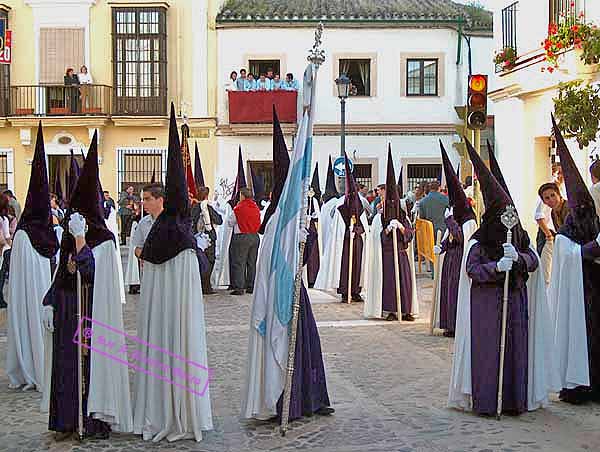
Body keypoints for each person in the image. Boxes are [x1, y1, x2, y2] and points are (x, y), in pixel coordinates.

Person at [449, 137, 555, 416]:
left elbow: (532, 258)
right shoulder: (479, 241)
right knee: (490, 355)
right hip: (487, 308)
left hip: (516, 303)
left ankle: (513, 401)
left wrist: (518, 259)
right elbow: (472, 269)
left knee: (516, 354)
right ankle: (488, 401)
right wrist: (496, 267)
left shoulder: (518, 236)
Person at [242, 105, 333, 422]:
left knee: (307, 346)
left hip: (296, 293)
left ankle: (309, 398)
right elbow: (273, 264)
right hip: (280, 298)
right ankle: (285, 402)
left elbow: (299, 262)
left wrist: (304, 243)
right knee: (289, 345)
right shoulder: (275, 224)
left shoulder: (292, 220)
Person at [42, 131, 132, 439]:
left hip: (92, 316)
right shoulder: (70, 230)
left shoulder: (103, 240)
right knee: (66, 368)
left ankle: (91, 419)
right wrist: (50, 299)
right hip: (69, 311)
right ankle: (66, 421)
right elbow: (63, 272)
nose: (74, 215)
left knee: (89, 367)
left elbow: (92, 272)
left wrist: (81, 241)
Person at [134, 104, 212, 441]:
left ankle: (172, 413)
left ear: (162, 200)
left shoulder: (170, 234)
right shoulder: (174, 234)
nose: (143, 203)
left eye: (147, 199)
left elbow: (147, 258)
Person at [548, 117, 600, 405]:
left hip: (595, 291)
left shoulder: (595, 222)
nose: (584, 212)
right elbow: (570, 256)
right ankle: (576, 385)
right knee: (582, 340)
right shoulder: (567, 233)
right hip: (578, 299)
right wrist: (594, 247)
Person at [6, 124, 59, 393]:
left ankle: (34, 363)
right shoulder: (32, 236)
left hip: (37, 296)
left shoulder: (28, 234)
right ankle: (34, 364)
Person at [365, 147, 419, 321]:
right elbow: (377, 238)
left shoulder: (403, 216)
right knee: (389, 284)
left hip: (401, 254)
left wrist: (402, 229)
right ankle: (390, 310)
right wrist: (387, 229)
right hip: (387, 256)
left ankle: (406, 310)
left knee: (405, 283)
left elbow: (410, 234)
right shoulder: (380, 217)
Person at [432, 142, 478, 336]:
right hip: (450, 259)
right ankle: (449, 324)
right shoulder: (457, 217)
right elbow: (451, 238)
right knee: (448, 292)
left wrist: (449, 219)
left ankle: (457, 324)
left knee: (456, 292)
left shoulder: (468, 219)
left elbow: (461, 237)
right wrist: (441, 246)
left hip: (460, 260)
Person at [314, 153, 368, 302]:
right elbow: (336, 228)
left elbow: (364, 226)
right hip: (344, 244)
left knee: (357, 267)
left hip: (357, 243)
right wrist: (346, 233)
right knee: (344, 267)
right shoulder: (340, 207)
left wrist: (358, 231)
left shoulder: (360, 206)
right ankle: (345, 292)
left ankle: (356, 291)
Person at [228, 187, 261, 295]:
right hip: (255, 236)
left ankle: (239, 287)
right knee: (251, 263)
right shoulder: (256, 207)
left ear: (242, 195)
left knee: (239, 262)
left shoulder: (238, 208)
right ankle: (251, 286)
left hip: (242, 236)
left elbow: (230, 222)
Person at [535, 182, 569, 285]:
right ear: (544, 201)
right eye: (547, 198)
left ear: (559, 194)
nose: (551, 200)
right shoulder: (553, 212)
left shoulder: (569, 208)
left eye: (553, 195)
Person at [191, 186, 223, 294]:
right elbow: (219, 220)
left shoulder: (193, 208)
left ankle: (199, 285)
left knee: (199, 261)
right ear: (206, 196)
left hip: (195, 238)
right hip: (208, 238)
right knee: (209, 261)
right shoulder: (208, 208)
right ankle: (206, 286)